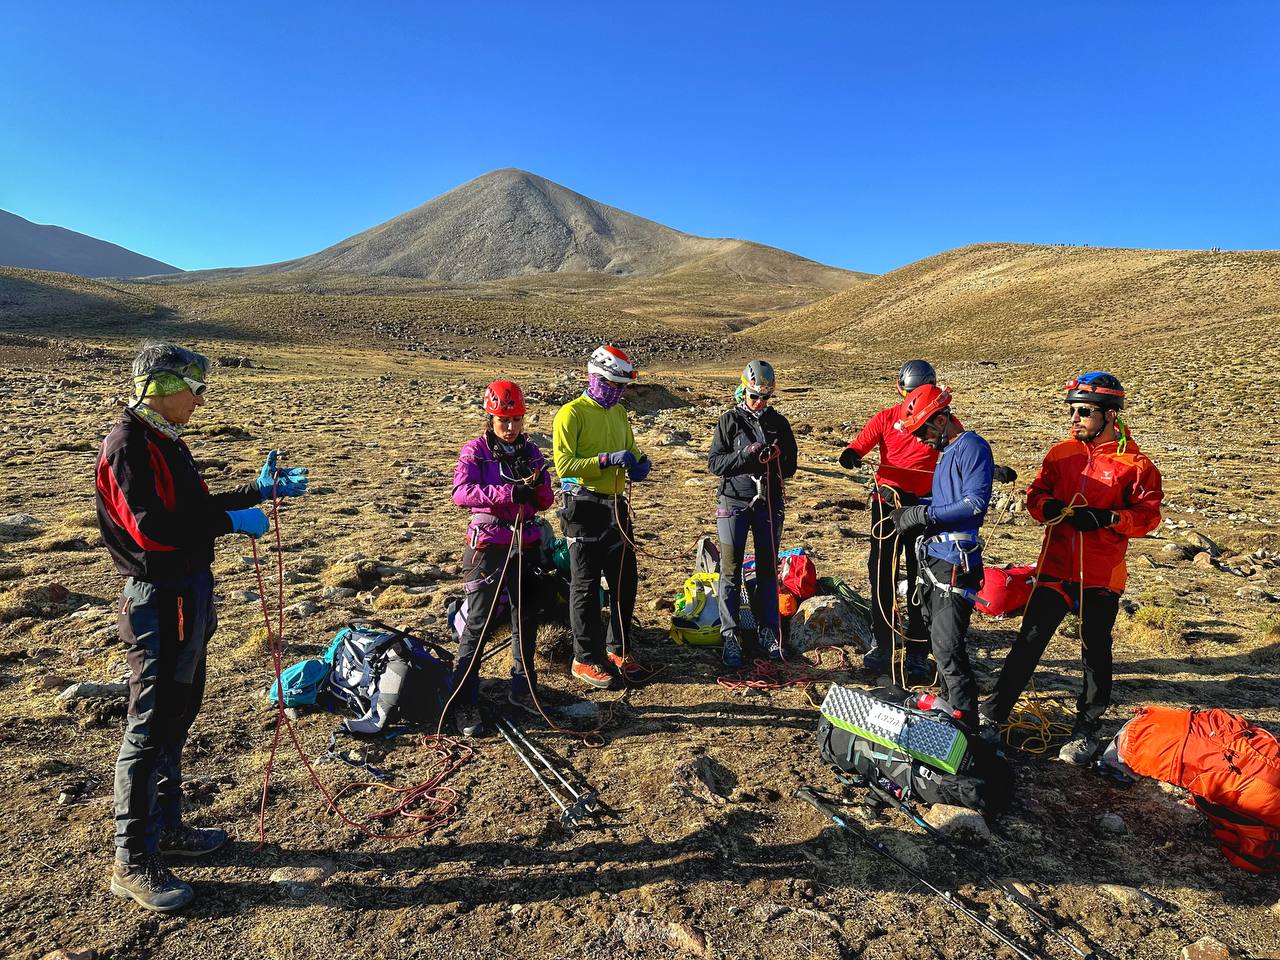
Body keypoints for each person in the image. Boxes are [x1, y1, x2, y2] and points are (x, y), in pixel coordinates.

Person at [96, 341, 308, 912]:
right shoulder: (129, 445)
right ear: (162, 387)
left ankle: (166, 827)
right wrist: (232, 522)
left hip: (187, 594)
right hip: (158, 599)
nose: (200, 399)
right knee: (150, 724)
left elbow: (193, 508)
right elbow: (152, 529)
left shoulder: (166, 441)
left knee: (178, 713)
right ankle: (132, 860)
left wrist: (258, 491)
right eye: (194, 388)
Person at [980, 372, 1163, 764]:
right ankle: (992, 715)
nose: (1074, 418)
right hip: (1054, 568)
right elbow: (1036, 493)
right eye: (1072, 410)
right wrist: (1044, 506)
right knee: (1028, 642)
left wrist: (1110, 518)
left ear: (1110, 415)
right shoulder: (1061, 453)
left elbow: (1148, 516)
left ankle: (1087, 729)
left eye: (1084, 411)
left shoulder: (1136, 465)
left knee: (1095, 651)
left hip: (1101, 575)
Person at [840, 361, 1015, 680]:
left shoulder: (941, 420)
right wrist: (851, 454)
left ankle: (918, 650)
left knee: (922, 576)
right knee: (881, 572)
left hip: (925, 505)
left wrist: (991, 470)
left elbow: (960, 449)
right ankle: (883, 641)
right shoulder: (886, 418)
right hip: (889, 503)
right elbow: (861, 444)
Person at [449, 380, 555, 737]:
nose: (510, 427)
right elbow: (461, 493)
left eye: (516, 420)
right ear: (490, 418)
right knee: (478, 623)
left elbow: (546, 500)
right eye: (503, 420)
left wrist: (537, 488)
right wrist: (509, 492)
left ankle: (523, 690)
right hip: (488, 547)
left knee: (526, 619)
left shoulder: (532, 452)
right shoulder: (475, 451)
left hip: (526, 544)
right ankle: (463, 701)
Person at [890, 383, 993, 731]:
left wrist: (921, 515)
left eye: (922, 432)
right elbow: (947, 501)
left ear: (939, 419)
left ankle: (967, 727)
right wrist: (911, 505)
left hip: (954, 562)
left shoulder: (972, 447)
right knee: (939, 643)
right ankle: (951, 715)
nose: (921, 440)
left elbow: (973, 505)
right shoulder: (949, 453)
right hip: (936, 559)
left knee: (948, 647)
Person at [552, 345, 651, 690]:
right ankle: (584, 658)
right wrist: (606, 460)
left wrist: (640, 463)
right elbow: (564, 465)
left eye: (621, 387)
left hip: (615, 507)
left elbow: (632, 450)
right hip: (582, 507)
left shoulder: (619, 413)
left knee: (625, 580)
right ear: (593, 377)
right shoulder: (571, 414)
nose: (617, 392)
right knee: (586, 585)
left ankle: (618, 650)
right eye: (612, 384)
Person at [707, 360, 798, 666]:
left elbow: (791, 467)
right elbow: (715, 464)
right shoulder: (729, 421)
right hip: (733, 503)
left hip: (768, 504)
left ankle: (768, 631)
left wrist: (776, 456)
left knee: (768, 569)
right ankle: (730, 635)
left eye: (766, 397)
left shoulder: (779, 423)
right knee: (731, 571)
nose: (760, 402)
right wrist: (745, 455)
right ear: (743, 390)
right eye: (755, 396)